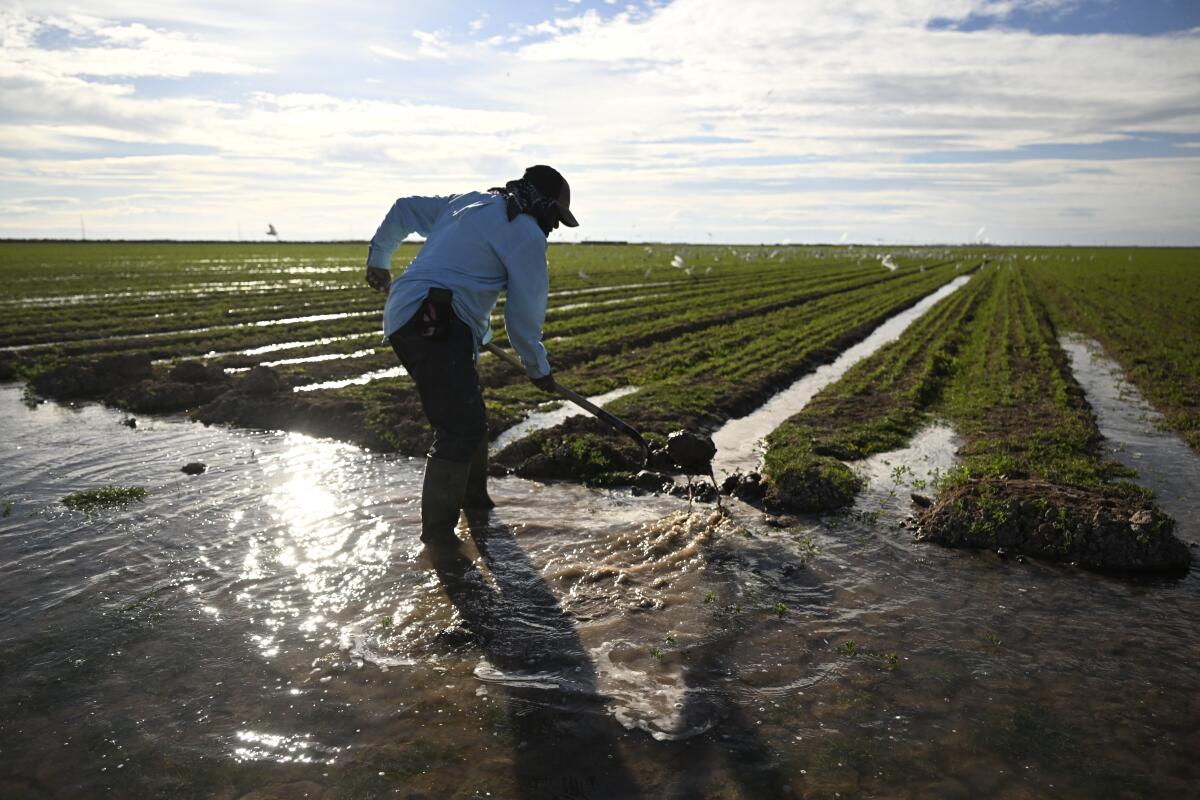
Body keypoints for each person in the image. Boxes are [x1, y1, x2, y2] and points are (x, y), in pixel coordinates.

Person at [364, 165, 579, 547]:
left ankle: (477, 504)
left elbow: (404, 210)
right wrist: (538, 369)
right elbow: (524, 317)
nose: (556, 226)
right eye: (557, 217)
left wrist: (379, 258)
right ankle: (440, 544)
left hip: (414, 315)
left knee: (470, 416)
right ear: (544, 203)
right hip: (434, 320)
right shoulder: (526, 233)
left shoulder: (468, 202)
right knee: (459, 427)